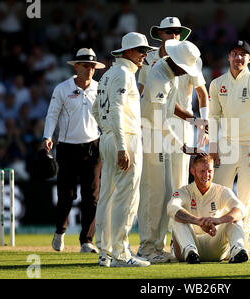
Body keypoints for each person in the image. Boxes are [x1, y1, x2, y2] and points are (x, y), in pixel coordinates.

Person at [137, 39, 208, 263]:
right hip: (151, 137)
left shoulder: (170, 73)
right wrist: (183, 145)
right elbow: (159, 121)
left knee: (166, 193)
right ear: (177, 63)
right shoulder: (158, 77)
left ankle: (156, 246)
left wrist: (195, 119)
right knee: (154, 195)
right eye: (184, 68)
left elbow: (172, 107)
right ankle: (148, 248)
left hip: (161, 138)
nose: (186, 72)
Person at [93, 32, 155, 268]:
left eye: (146, 51)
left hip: (110, 137)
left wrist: (106, 132)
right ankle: (120, 253)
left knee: (108, 196)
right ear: (127, 52)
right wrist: (120, 145)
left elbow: (96, 110)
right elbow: (117, 110)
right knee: (125, 198)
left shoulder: (108, 75)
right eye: (141, 51)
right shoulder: (124, 75)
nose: (144, 56)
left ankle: (105, 252)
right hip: (124, 139)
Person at [209, 40, 250, 251]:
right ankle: (219, 241)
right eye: (234, 54)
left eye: (242, 54)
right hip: (227, 146)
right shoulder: (217, 83)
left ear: (249, 59)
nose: (238, 58)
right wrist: (212, 147)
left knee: (245, 197)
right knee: (220, 195)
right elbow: (213, 116)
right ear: (228, 57)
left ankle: (242, 242)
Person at [139, 16, 209, 202]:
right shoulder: (149, 59)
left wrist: (203, 121)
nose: (174, 35)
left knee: (178, 182)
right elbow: (143, 92)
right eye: (169, 31)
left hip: (181, 125)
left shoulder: (189, 57)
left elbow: (202, 93)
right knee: (153, 182)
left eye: (177, 32)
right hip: (155, 123)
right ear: (160, 34)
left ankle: (176, 229)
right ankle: (156, 228)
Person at [42, 48, 105, 253]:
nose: (89, 70)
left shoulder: (100, 88)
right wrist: (48, 136)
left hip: (93, 146)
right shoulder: (62, 88)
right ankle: (60, 231)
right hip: (68, 146)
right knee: (67, 195)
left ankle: (86, 240)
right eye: (86, 66)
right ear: (76, 66)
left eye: (92, 66)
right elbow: (52, 114)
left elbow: (106, 115)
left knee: (92, 196)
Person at [167, 154, 248, 264]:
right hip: (188, 245)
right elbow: (172, 208)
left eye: (209, 171)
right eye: (202, 171)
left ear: (213, 171)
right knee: (178, 218)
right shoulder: (184, 191)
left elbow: (241, 209)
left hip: (215, 244)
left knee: (234, 218)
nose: (207, 175)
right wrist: (198, 222)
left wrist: (218, 220)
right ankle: (191, 253)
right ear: (193, 171)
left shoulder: (222, 191)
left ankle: (238, 251)